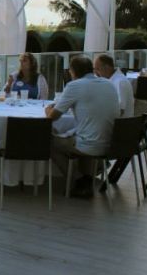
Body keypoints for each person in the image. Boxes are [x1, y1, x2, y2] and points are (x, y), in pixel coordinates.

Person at [45, 56, 119, 198]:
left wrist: (48, 109)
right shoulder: (109, 84)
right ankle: (86, 179)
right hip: (110, 144)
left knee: (48, 141)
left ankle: (79, 180)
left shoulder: (74, 86)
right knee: (84, 131)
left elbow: (52, 117)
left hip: (89, 145)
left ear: (73, 72)